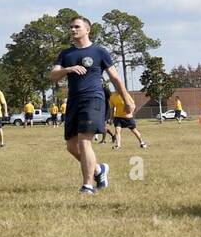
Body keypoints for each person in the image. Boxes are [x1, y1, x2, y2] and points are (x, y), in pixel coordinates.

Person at [49, 15, 136, 195]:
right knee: (71, 146)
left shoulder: (99, 52)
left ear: (87, 30)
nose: (73, 30)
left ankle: (88, 185)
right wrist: (69, 69)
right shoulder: (66, 54)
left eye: (77, 27)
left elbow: (115, 77)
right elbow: (53, 75)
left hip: (93, 99)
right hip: (73, 101)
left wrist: (127, 99)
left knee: (84, 141)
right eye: (71, 27)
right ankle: (98, 170)